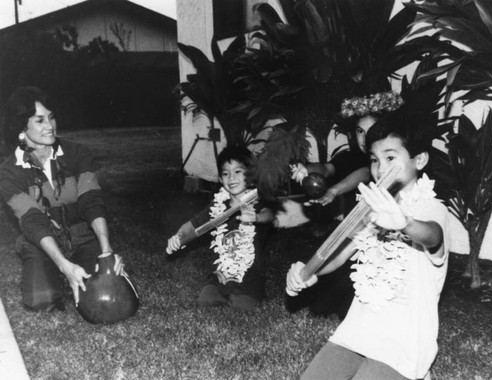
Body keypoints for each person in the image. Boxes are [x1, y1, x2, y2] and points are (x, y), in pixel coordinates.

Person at [286, 112, 450, 380]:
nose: (381, 168)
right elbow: (338, 253)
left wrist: (403, 223)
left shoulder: (432, 209)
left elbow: (432, 236)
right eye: (374, 160)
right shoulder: (369, 208)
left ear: (419, 160)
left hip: (403, 340)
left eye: (390, 157)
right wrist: (307, 271)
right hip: (359, 329)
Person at [0, 86, 124, 312]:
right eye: (39, 120)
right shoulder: (9, 173)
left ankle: (72, 274)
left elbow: (92, 202)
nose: (50, 126)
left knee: (112, 296)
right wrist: (63, 265)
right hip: (40, 242)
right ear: (20, 127)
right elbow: (33, 221)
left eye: (51, 117)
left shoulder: (77, 153)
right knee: (41, 301)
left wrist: (106, 250)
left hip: (82, 237)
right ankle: (59, 275)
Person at [287, 91, 404, 319]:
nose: (364, 137)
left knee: (352, 310)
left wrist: (334, 190)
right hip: (350, 241)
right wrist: (304, 170)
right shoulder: (350, 157)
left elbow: (361, 175)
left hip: (380, 249)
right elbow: (326, 169)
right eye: (360, 131)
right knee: (319, 306)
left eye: (371, 130)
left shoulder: (386, 166)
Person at [166, 146, 274, 312]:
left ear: (251, 175)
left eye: (238, 171)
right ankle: (223, 289)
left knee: (243, 305)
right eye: (225, 173)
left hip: (250, 273)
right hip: (222, 271)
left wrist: (256, 218)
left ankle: (239, 295)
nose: (231, 177)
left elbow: (269, 214)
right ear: (219, 178)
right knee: (205, 299)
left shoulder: (256, 203)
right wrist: (178, 236)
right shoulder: (217, 206)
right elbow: (191, 226)